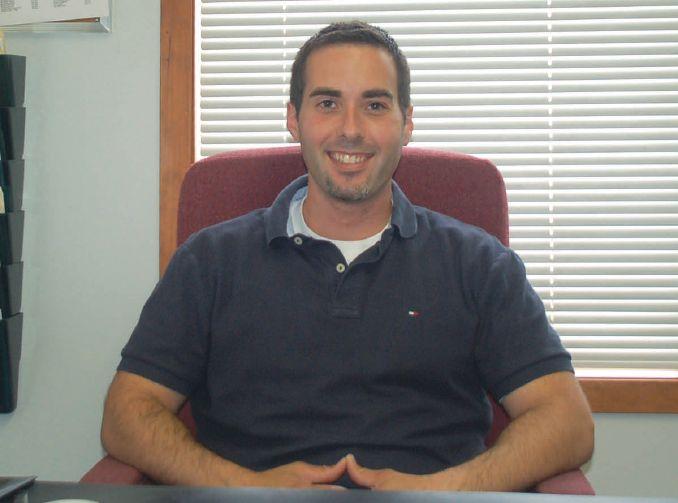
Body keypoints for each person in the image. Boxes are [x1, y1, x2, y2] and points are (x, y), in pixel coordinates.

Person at [101, 21, 593, 491]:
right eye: (328, 103)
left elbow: (567, 422)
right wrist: (247, 488)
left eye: (375, 105)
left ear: (407, 122)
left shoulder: (480, 265)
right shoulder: (210, 261)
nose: (351, 129)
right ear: (293, 119)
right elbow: (126, 414)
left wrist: (439, 491)